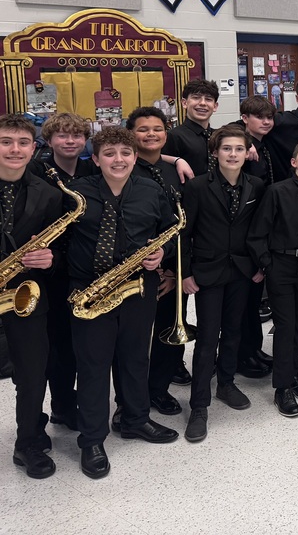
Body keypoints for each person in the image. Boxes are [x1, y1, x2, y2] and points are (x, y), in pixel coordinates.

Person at [67, 127, 179, 479]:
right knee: (94, 366)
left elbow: (171, 232)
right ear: (96, 158)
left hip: (137, 288)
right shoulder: (76, 194)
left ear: (134, 157)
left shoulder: (151, 190)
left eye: (125, 153)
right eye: (110, 153)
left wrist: (162, 253)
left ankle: (135, 419)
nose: (119, 159)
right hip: (90, 290)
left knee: (134, 358)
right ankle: (92, 439)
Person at [179, 126, 266, 442]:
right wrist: (186, 273)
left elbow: (259, 230)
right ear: (214, 153)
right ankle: (199, 404)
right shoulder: (198, 187)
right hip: (208, 272)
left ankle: (226, 382)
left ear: (247, 154)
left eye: (239, 149)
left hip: (242, 270)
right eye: (226, 149)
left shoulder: (256, 185)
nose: (233, 154)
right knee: (206, 337)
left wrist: (259, 265)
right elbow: (185, 234)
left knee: (234, 330)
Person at [247, 139, 298, 418]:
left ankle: (292, 375)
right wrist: (268, 264)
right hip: (281, 265)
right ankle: (282, 387)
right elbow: (257, 234)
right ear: (294, 162)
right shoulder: (276, 191)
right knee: (285, 325)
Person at [0, 114, 64, 478]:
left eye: (23, 142)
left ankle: (27, 442)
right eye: (6, 141)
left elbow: (60, 253)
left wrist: (50, 259)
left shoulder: (50, 195)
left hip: (25, 294)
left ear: (33, 147)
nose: (15, 149)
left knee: (32, 372)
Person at [29, 112, 97, 431]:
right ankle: (62, 406)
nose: (70, 141)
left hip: (87, 268)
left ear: (85, 140)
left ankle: (87, 399)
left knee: (87, 342)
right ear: (49, 140)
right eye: (62, 136)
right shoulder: (36, 173)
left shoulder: (91, 168)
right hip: (52, 271)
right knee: (60, 344)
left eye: (76, 136)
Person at [124, 107, 185, 425]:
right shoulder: (123, 168)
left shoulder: (177, 169)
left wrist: (175, 269)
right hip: (135, 269)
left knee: (169, 331)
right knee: (132, 342)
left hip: (172, 265)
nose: (151, 134)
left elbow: (184, 222)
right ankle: (129, 401)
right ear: (130, 134)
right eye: (143, 129)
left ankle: (159, 388)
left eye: (158, 129)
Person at [236, 95, 277, 380]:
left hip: (262, 226)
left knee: (253, 299)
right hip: (244, 229)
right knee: (243, 299)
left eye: (269, 117)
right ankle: (242, 355)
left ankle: (253, 349)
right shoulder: (243, 145)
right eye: (258, 117)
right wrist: (243, 140)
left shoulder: (265, 143)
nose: (265, 122)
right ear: (244, 118)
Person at [164, 77, 220, 177]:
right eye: (196, 97)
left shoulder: (219, 136)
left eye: (208, 99)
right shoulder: (174, 136)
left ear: (215, 106)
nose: (203, 103)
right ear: (184, 103)